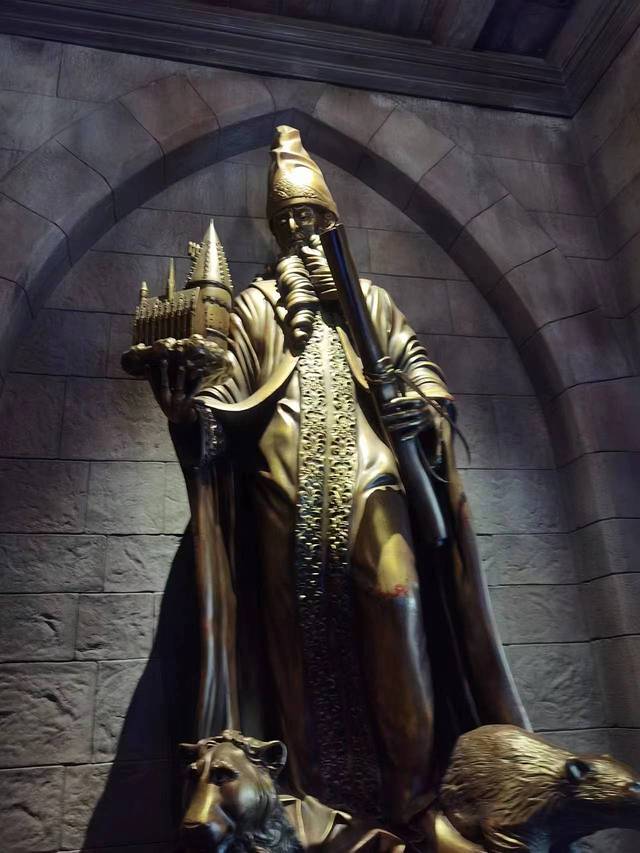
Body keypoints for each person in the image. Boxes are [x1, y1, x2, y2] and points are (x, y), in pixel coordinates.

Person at [144, 126, 529, 827]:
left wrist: (420, 406)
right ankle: (323, 806)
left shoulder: (371, 303)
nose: (301, 230)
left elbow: (420, 371)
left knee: (399, 604)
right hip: (281, 493)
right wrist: (191, 415)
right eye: (289, 220)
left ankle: (416, 800)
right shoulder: (257, 305)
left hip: (373, 483)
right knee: (294, 646)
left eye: (312, 216)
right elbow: (226, 389)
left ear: (331, 220)